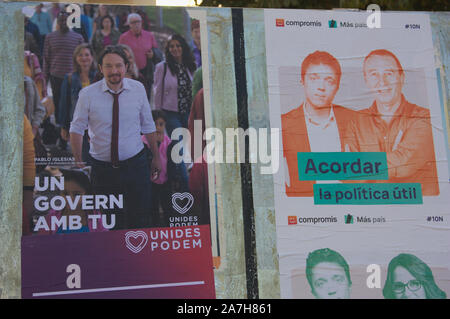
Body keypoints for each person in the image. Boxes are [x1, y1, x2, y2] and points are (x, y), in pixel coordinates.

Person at [69, 45, 161, 230]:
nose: (114, 71)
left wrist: (156, 157)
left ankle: (139, 258)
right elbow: (77, 127)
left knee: (140, 217)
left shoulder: (138, 89)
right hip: (103, 170)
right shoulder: (87, 94)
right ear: (101, 68)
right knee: (110, 222)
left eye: (118, 65)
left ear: (126, 67)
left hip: (135, 165)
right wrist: (78, 158)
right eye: (108, 66)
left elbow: (148, 125)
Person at [347, 49, 439, 196]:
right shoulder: (355, 121)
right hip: (372, 207)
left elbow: (405, 164)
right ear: (366, 81)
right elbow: (349, 176)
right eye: (374, 74)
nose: (382, 82)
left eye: (389, 73)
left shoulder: (424, 117)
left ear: (401, 78)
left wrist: (359, 166)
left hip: (413, 209)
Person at [281, 51, 358, 197]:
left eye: (329, 80)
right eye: (314, 78)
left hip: (350, 206)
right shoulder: (284, 124)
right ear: (302, 81)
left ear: (337, 86)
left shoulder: (354, 119)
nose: (321, 87)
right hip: (308, 212)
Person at [43, 11, 83, 130]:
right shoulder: (50, 37)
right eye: (61, 20)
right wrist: (45, 77)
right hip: (56, 76)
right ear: (57, 22)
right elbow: (46, 58)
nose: (63, 22)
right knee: (58, 103)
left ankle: (72, 129)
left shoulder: (78, 38)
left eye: (66, 20)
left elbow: (82, 57)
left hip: (73, 78)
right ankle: (61, 131)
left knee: (73, 104)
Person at [59, 43, 97, 165]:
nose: (84, 58)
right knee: (83, 160)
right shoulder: (70, 78)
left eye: (87, 54)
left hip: (97, 125)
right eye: (80, 55)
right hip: (79, 127)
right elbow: (64, 104)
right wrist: (64, 126)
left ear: (92, 57)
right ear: (76, 58)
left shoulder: (99, 76)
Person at [141, 110, 172, 226]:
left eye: (161, 124)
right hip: (149, 182)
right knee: (152, 207)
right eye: (155, 124)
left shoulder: (168, 143)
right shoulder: (143, 141)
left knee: (167, 206)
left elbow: (172, 163)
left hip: (165, 180)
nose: (158, 128)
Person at [118, 13, 159, 99]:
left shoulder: (149, 35)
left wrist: (153, 54)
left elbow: (157, 51)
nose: (136, 24)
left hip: (146, 72)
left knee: (145, 96)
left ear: (141, 23)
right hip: (130, 72)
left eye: (138, 22)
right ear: (129, 24)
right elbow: (119, 54)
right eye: (133, 22)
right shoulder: (123, 37)